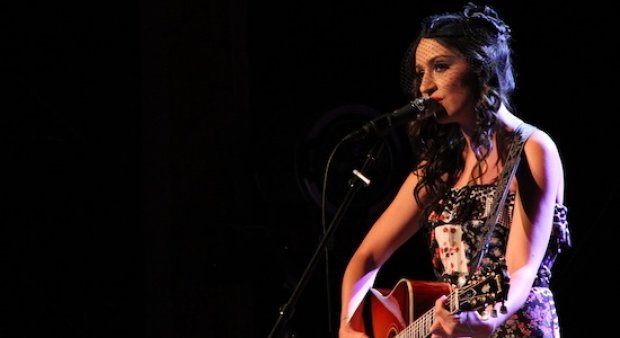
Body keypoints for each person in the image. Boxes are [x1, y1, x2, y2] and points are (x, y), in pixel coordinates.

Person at [338, 3, 570, 338]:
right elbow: (368, 254)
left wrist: (484, 323)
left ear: (480, 69)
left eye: (440, 67)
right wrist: (347, 325)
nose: (424, 87)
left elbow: (522, 270)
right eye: (420, 73)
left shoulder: (531, 148)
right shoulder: (440, 167)